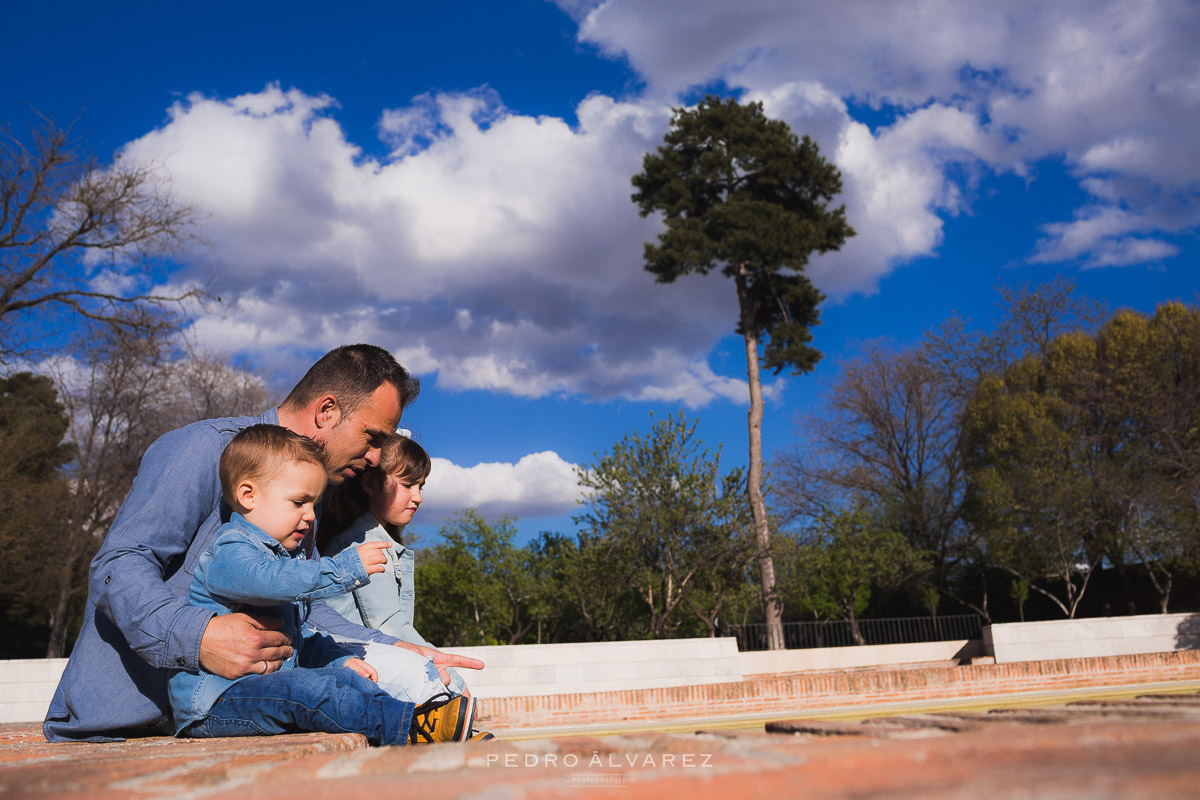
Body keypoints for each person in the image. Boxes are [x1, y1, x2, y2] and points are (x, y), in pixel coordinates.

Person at [44, 344, 484, 743]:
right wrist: (198, 638)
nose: (375, 457)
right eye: (373, 438)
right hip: (119, 727)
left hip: (232, 718)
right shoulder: (204, 449)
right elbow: (117, 565)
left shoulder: (303, 496)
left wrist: (393, 646)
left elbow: (310, 608)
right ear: (327, 410)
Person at [172, 424, 469, 744]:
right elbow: (269, 582)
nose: (311, 516)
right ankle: (411, 727)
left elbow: (302, 636)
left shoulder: (285, 558)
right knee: (311, 689)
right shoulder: (232, 549)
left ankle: (429, 723)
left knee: (345, 678)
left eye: (314, 504)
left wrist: (339, 658)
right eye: (299, 502)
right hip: (217, 700)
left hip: (268, 689)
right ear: (249, 495)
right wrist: (343, 569)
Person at [318, 434, 469, 695]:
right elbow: (389, 626)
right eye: (408, 484)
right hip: (359, 673)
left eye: (421, 486)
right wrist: (457, 683)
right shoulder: (365, 543)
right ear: (370, 484)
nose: (418, 497)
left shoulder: (370, 536)